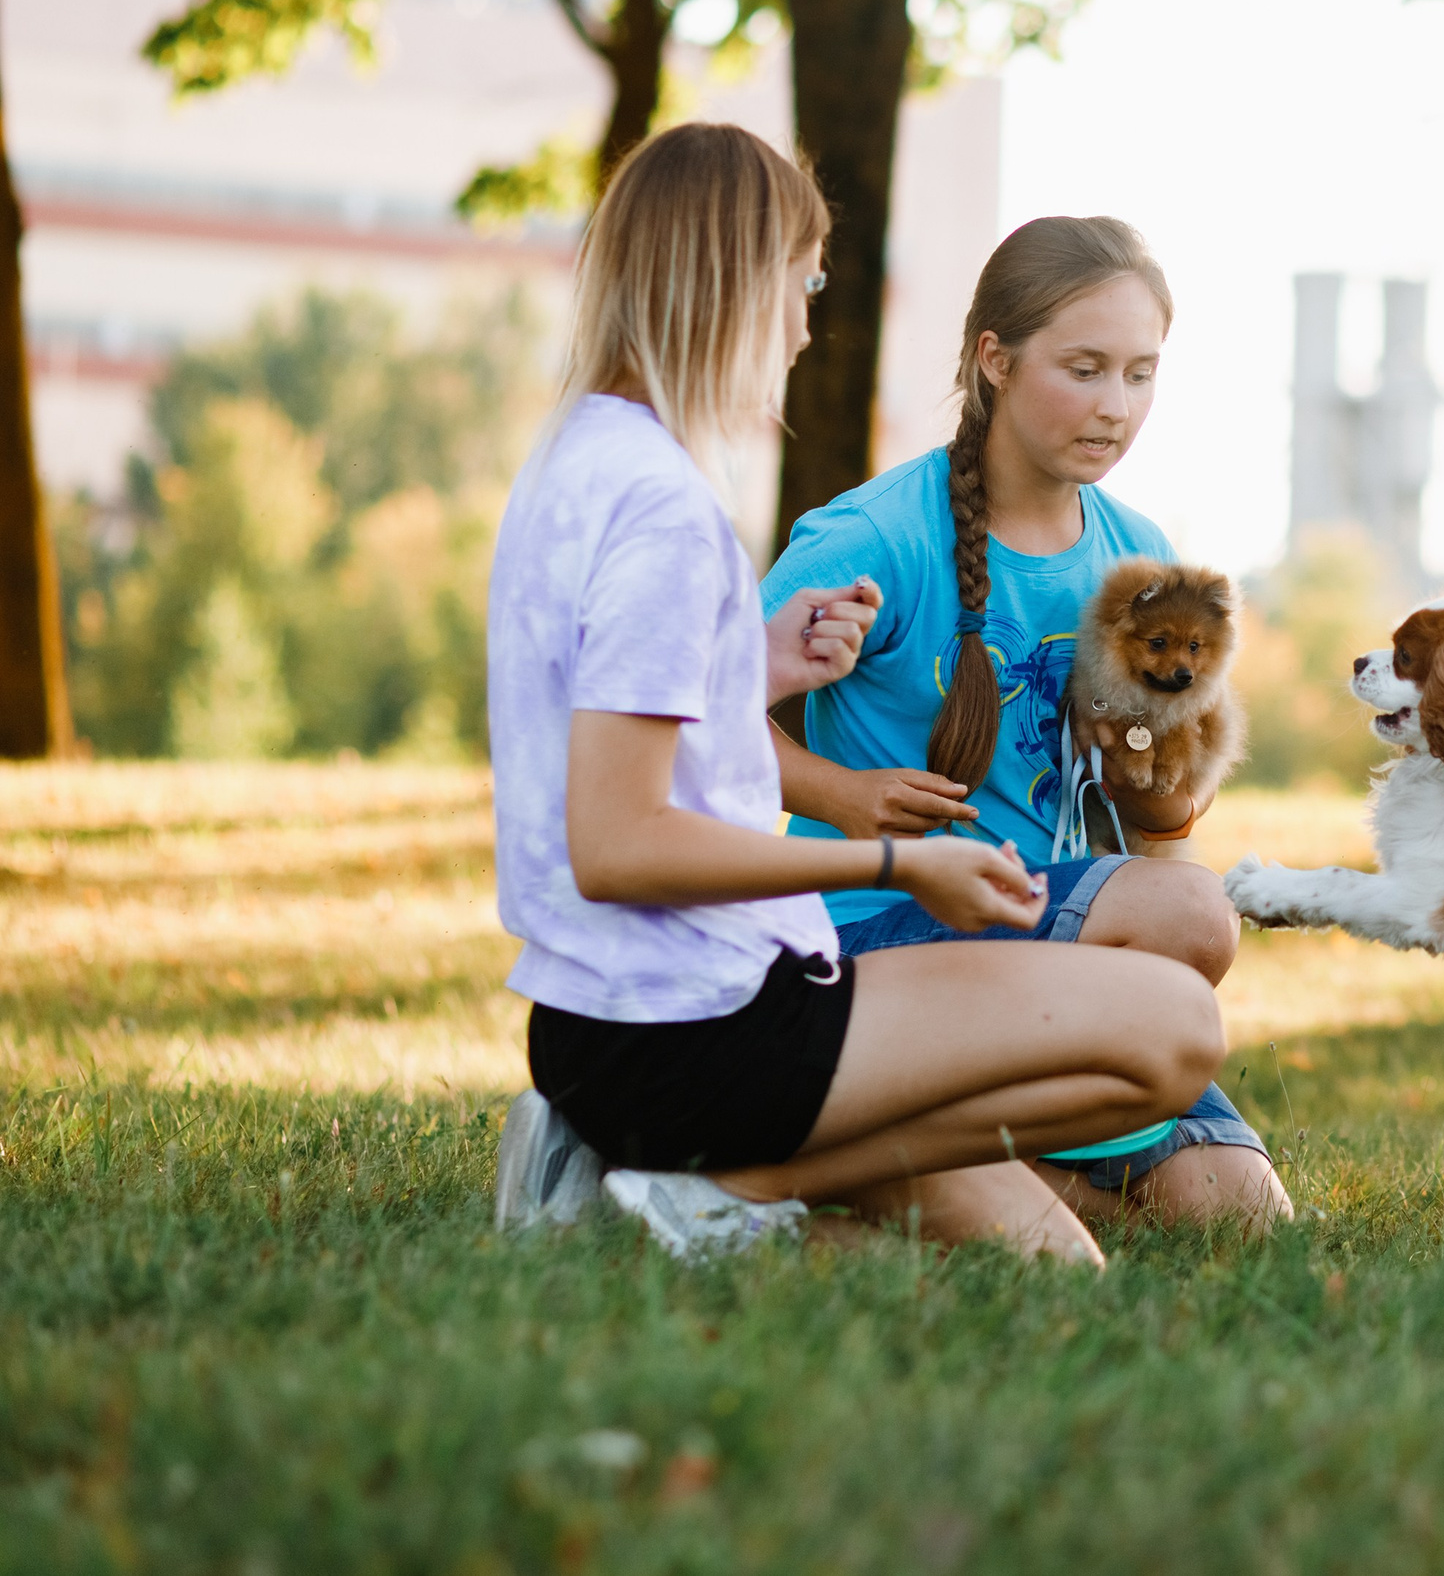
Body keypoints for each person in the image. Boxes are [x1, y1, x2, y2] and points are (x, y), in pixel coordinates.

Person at [487, 125, 1227, 1265]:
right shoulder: (668, 509)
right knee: (1175, 1026)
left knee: (1052, 1264)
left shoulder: (583, 459)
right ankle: (705, 1176)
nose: (804, 323)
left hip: (623, 1016)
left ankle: (718, 1196)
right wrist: (894, 861)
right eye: (805, 283)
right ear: (735, 282)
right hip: (688, 1024)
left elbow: (600, 719)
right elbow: (619, 844)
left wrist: (756, 665)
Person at [760, 215, 1291, 1231]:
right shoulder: (874, 534)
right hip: (870, 937)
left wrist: (1156, 778)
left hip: (1046, 941)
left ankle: (885, 1165)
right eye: (1083, 369)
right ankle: (854, 1130)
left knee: (1240, 1214)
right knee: (1190, 916)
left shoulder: (1137, 551)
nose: (1114, 406)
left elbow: (1159, 824)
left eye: (1139, 374)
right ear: (994, 359)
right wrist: (840, 794)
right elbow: (689, 709)